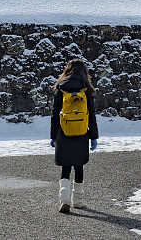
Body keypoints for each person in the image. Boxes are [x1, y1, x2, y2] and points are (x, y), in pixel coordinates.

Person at [50, 58, 99, 213]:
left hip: (63, 132)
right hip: (82, 132)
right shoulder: (86, 89)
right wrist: (94, 137)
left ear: (68, 70)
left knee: (66, 166)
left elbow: (54, 114)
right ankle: (77, 201)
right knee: (79, 165)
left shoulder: (61, 87)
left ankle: (64, 199)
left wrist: (53, 136)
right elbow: (91, 115)